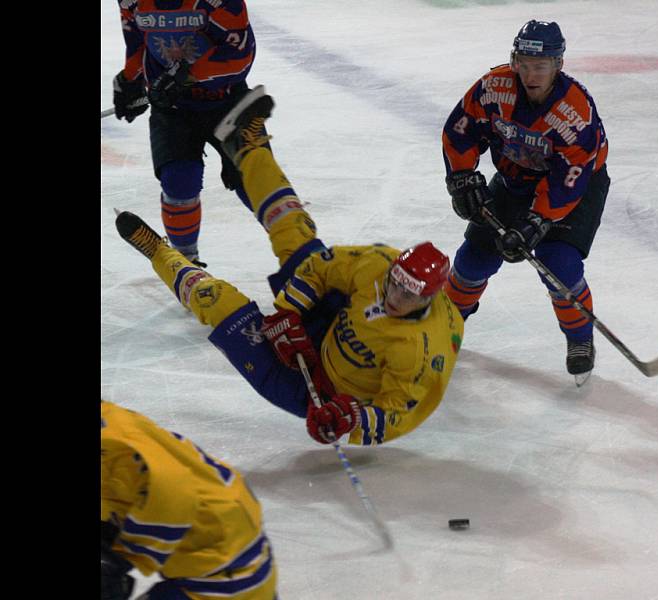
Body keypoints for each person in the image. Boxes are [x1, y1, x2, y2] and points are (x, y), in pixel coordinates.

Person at [115, 86, 464, 446]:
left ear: (429, 298)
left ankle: (159, 253)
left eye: (408, 294)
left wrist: (348, 417)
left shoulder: (423, 348)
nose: (395, 295)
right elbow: (322, 269)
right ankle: (248, 144)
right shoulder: (379, 264)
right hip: (328, 320)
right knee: (292, 227)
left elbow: (399, 413)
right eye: (394, 282)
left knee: (214, 300)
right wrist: (289, 313)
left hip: (315, 394)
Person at [441, 19, 611, 385]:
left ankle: (580, 339)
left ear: (558, 65)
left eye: (541, 66)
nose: (531, 75)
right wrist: (461, 176)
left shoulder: (575, 111)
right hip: (516, 177)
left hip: (575, 187)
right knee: (473, 259)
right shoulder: (493, 87)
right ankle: (443, 326)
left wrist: (536, 222)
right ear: (514, 60)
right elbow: (462, 129)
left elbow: (570, 178)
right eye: (525, 64)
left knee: (558, 263)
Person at [112, 0, 263, 267]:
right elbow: (138, 38)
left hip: (227, 102)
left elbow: (240, 59)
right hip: (173, 107)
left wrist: (188, 76)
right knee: (179, 180)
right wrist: (130, 80)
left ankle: (305, 254)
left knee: (258, 183)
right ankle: (186, 263)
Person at [101, 400, 278, 600]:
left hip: (226, 575)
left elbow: (176, 490)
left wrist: (122, 557)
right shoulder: (112, 419)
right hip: (236, 549)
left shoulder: (111, 444)